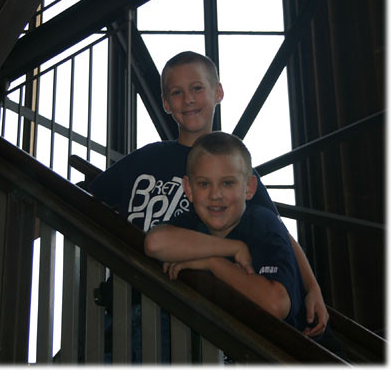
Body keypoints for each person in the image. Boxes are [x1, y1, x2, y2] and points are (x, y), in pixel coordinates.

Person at [86, 51, 328, 359]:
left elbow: (278, 233)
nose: (188, 99)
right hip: (129, 298)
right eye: (177, 92)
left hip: (193, 307)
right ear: (165, 103)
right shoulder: (146, 158)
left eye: (197, 88)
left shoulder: (234, 171)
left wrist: (311, 287)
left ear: (218, 92)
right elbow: (87, 199)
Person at [144, 132, 343, 360]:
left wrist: (212, 262)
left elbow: (275, 304)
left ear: (249, 188)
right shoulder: (193, 223)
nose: (215, 195)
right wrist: (232, 248)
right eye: (203, 184)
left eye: (227, 183)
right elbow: (154, 242)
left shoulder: (262, 223)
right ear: (188, 189)